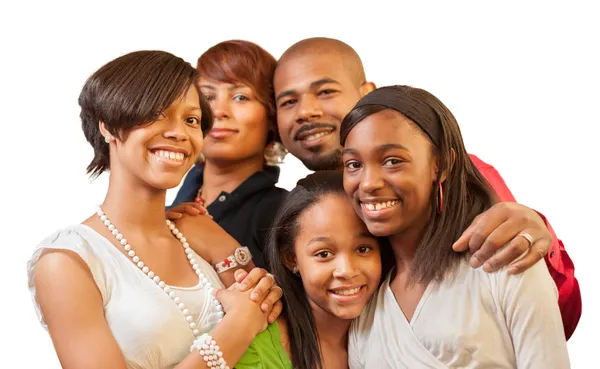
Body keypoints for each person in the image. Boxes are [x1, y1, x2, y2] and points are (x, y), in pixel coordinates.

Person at [273, 37, 580, 338]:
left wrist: (538, 237)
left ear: (366, 93)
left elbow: (548, 314)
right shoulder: (303, 207)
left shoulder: (457, 181)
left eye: (325, 91)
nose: (306, 111)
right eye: (288, 102)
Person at [27, 50, 283, 369]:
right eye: (157, 114)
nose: (179, 133)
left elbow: (279, 337)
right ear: (107, 126)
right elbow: (250, 317)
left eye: (191, 120)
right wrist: (239, 326)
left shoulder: (200, 236)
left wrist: (217, 243)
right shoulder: (67, 263)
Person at [342, 85, 569, 368]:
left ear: (443, 164)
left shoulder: (504, 265)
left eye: (392, 161)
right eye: (353, 164)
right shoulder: (364, 301)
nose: (368, 183)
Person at [235, 171, 391, 369]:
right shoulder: (258, 347)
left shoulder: (397, 332)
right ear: (291, 259)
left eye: (363, 249)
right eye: (324, 254)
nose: (346, 270)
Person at [170, 40, 288, 269]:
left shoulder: (283, 214)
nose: (218, 112)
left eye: (240, 97)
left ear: (272, 115)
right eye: (208, 97)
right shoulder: (168, 194)